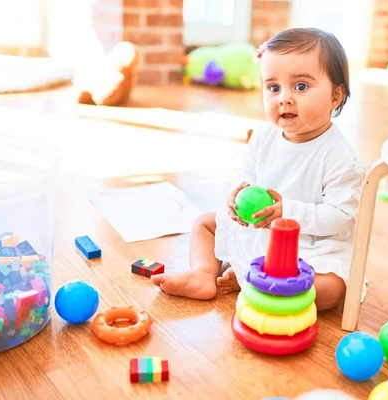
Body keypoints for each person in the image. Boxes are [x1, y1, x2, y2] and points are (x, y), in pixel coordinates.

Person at [151, 27, 367, 310]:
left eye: (301, 86)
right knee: (204, 223)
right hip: (260, 230)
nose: (284, 98)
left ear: (336, 97)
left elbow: (342, 217)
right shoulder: (264, 136)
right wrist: (237, 195)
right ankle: (204, 274)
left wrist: (288, 213)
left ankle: (257, 280)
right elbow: (246, 173)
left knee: (331, 289)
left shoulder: (340, 156)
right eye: (273, 87)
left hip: (310, 245)